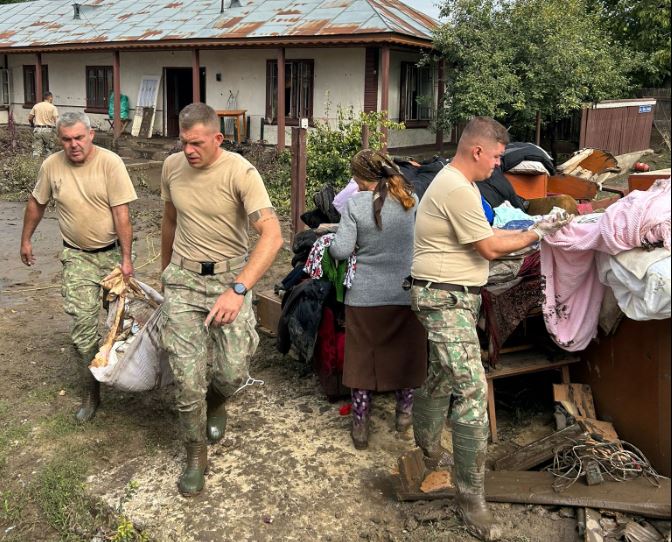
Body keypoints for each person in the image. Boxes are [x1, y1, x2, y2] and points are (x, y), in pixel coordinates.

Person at [409, 117, 571, 541]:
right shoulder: (458, 188)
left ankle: (426, 448)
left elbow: (485, 235)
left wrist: (529, 230)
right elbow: (488, 246)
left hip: (448, 296)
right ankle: (470, 497)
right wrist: (537, 232)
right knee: (472, 391)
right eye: (498, 157)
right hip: (444, 298)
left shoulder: (454, 182)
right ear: (477, 150)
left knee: (443, 376)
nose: (499, 166)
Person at [160, 103, 283, 497]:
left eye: (196, 143)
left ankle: (217, 401)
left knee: (231, 371)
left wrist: (239, 289)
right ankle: (195, 453)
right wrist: (164, 275)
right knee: (185, 377)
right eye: (183, 143)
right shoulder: (171, 168)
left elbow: (272, 235)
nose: (188, 151)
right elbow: (169, 220)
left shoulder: (241, 173)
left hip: (229, 279)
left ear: (218, 138)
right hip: (182, 279)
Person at [20, 111, 136, 423]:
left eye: (79, 138)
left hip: (111, 255)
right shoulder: (51, 166)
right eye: (67, 139)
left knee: (119, 324)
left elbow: (121, 213)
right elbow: (37, 203)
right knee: (84, 328)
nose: (73, 145)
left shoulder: (110, 163)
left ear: (91, 135)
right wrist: (26, 240)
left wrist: (126, 260)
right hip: (77, 257)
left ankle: (124, 376)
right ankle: (92, 390)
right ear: (60, 140)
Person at [329, 150, 427, 450]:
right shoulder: (412, 200)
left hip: (365, 297)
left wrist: (334, 241)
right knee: (405, 356)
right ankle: (403, 417)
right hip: (404, 292)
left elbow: (340, 251)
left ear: (359, 177)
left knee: (362, 361)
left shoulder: (355, 205)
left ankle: (360, 427)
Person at [28, 91, 59, 157]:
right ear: (50, 98)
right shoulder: (53, 107)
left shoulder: (36, 106)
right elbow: (56, 120)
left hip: (37, 130)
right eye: (52, 98)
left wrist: (32, 125)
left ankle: (35, 165)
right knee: (48, 150)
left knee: (36, 150)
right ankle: (47, 166)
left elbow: (30, 118)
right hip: (48, 130)